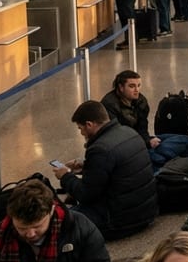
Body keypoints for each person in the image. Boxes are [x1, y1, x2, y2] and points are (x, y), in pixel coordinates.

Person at [52, 101, 158, 241]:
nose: (82, 133)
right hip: (147, 212)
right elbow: (120, 168)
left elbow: (85, 194)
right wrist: (86, 166)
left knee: (60, 220)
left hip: (119, 222)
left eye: (80, 128)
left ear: (89, 124)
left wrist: (65, 176)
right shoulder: (129, 132)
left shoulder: (100, 149)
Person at [100, 69, 188, 169]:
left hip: (141, 141)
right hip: (127, 149)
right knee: (161, 157)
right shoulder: (109, 105)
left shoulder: (140, 101)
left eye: (139, 85)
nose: (137, 90)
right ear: (121, 87)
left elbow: (142, 128)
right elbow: (118, 137)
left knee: (186, 141)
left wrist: (148, 141)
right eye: (132, 86)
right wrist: (146, 143)